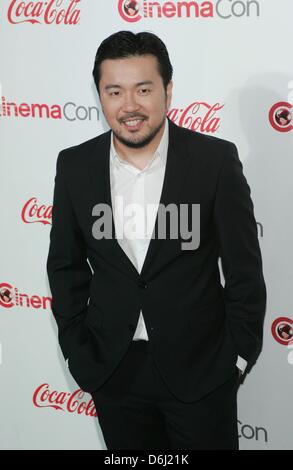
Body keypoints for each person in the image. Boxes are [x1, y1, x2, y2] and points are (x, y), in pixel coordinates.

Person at [46, 30, 267, 450]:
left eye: (143, 89)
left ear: (167, 90)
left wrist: (236, 359)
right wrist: (79, 350)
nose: (129, 106)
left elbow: (245, 271)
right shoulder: (75, 166)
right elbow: (64, 266)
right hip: (114, 371)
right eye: (114, 91)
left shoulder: (214, 161)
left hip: (202, 373)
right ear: (100, 95)